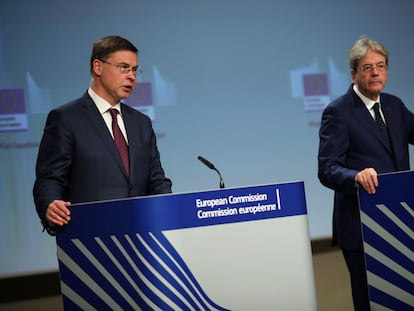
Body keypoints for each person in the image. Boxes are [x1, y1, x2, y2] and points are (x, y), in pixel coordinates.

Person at [33, 35, 172, 235]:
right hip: (90, 240)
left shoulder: (141, 123)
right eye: (124, 67)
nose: (132, 76)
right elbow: (49, 179)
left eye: (134, 69)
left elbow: (156, 180)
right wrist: (50, 204)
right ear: (98, 67)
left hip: (144, 238)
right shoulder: (65, 118)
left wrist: (170, 210)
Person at [318, 36, 414, 310]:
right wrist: (355, 176)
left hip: (402, 220)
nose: (375, 73)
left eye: (381, 66)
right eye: (367, 67)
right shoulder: (337, 112)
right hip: (363, 225)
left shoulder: (394, 105)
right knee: (371, 302)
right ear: (353, 73)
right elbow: (327, 169)